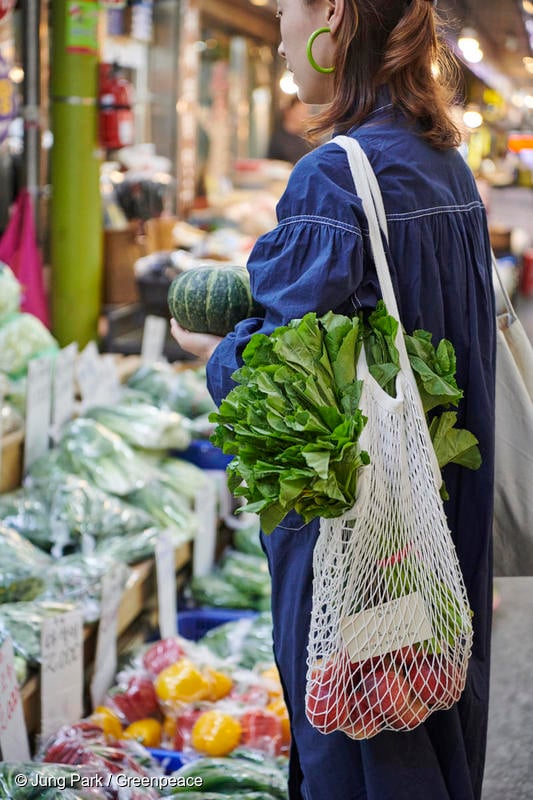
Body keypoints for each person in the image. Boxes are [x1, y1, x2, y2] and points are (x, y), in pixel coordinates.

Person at [171, 0, 496, 798]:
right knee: (426, 712)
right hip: (435, 522)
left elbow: (288, 391)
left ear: (331, 16)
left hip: (359, 536)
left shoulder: (333, 175)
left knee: (359, 739)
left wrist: (217, 354)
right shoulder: (439, 159)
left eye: (284, 8)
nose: (280, 29)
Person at [267, 96, 313, 164]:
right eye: (299, 112)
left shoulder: (311, 137)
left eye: (305, 112)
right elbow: (270, 162)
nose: (303, 116)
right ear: (289, 111)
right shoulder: (278, 138)